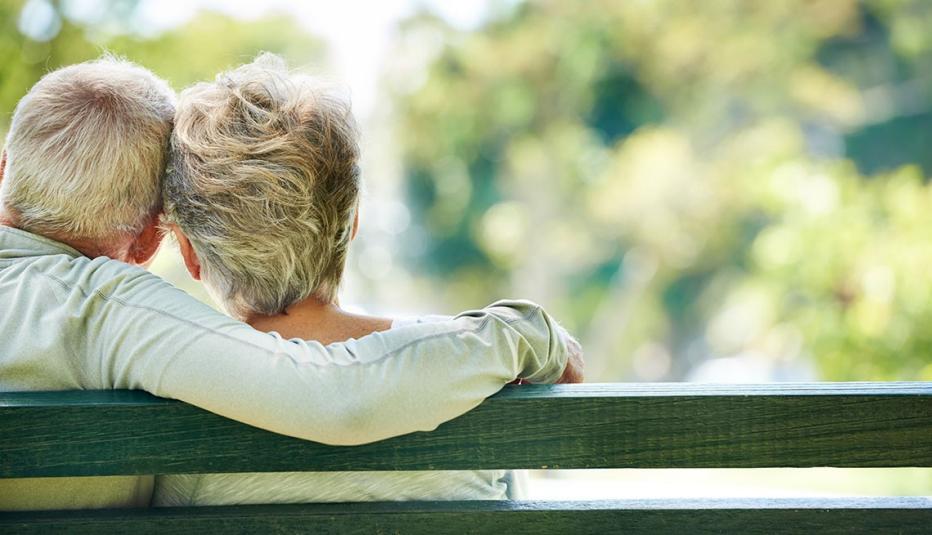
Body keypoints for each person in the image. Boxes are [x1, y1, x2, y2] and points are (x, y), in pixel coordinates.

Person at [0, 57, 583, 510]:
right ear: (351, 225)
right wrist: (519, 333)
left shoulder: (160, 392)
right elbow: (340, 396)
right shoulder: (103, 308)